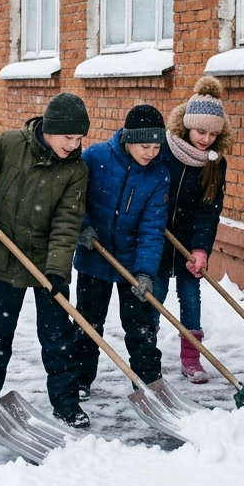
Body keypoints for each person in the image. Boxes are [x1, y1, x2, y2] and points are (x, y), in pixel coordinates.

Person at [0, 92, 92, 428]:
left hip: (48, 264)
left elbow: (67, 223)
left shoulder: (76, 170)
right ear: (49, 130)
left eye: (79, 139)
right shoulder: (10, 144)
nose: (73, 145)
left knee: (58, 336)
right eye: (68, 137)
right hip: (5, 256)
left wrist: (58, 272)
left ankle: (66, 402)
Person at [72, 104, 170, 401]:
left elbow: (152, 228)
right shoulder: (95, 157)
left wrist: (144, 272)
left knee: (141, 327)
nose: (150, 153)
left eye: (156, 146)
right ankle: (79, 378)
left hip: (131, 263)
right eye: (144, 145)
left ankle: (148, 380)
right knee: (88, 324)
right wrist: (82, 226)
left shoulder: (158, 176)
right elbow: (74, 198)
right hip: (94, 256)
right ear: (128, 139)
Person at [154, 76, 230, 383]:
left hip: (187, 241)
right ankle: (145, 352)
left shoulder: (215, 162)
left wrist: (200, 249)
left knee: (190, 296)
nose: (206, 139)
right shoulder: (163, 150)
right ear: (186, 125)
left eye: (213, 133)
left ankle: (191, 358)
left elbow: (209, 209)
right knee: (154, 296)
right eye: (200, 131)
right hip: (156, 236)